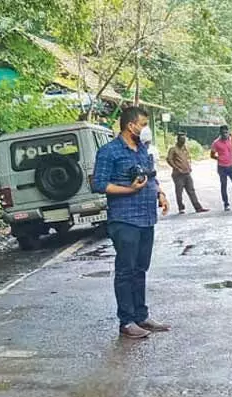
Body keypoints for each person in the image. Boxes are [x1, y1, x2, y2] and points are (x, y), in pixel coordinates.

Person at [92, 107, 171, 339]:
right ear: (130, 125)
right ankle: (126, 321)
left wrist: (160, 193)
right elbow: (99, 184)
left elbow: (151, 176)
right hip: (124, 219)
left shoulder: (143, 149)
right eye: (143, 124)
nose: (146, 129)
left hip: (146, 218)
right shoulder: (109, 152)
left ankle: (141, 315)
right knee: (126, 270)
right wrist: (129, 189)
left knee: (140, 269)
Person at [165, 132, 209, 215]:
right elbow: (169, 160)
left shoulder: (185, 148)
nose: (183, 141)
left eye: (184, 139)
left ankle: (198, 207)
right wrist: (176, 168)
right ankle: (181, 208)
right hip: (178, 174)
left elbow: (188, 158)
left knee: (191, 190)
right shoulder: (173, 149)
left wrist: (189, 167)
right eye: (182, 139)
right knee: (179, 192)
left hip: (187, 173)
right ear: (178, 140)